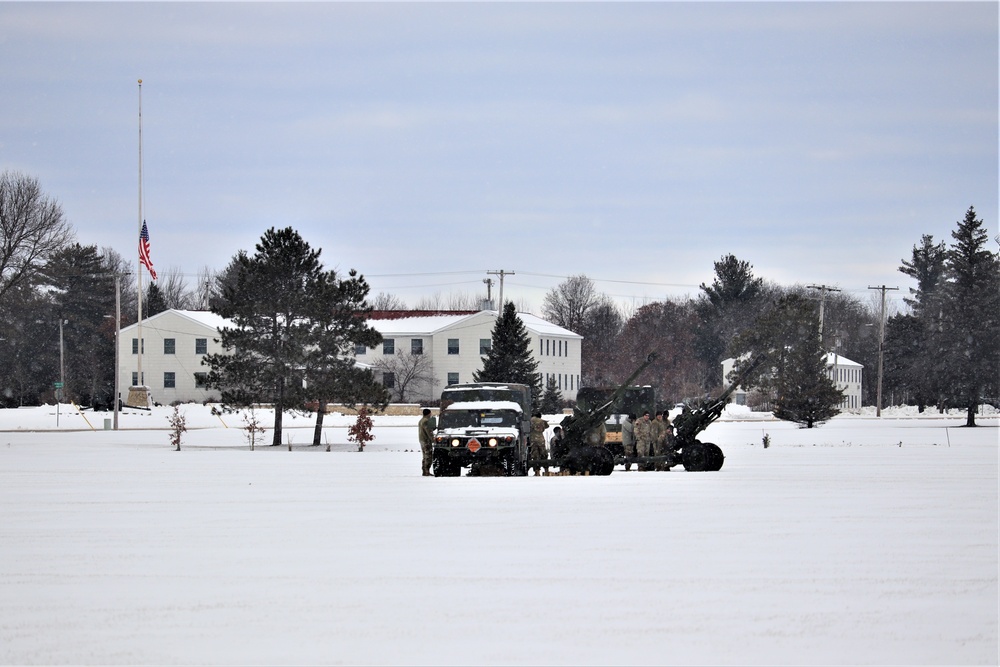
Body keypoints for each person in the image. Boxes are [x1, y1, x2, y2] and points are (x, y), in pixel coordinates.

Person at [529, 411, 549, 476]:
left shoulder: (530, 421)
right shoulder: (542, 421)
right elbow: (547, 426)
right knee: (544, 454)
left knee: (535, 455)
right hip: (541, 439)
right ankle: (546, 470)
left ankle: (537, 471)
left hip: (532, 439)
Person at [418, 408, 436, 476]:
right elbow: (428, 431)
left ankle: (425, 471)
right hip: (426, 441)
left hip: (422, 440)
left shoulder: (421, 420)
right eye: (430, 413)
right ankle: (426, 471)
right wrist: (433, 439)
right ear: (428, 413)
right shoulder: (426, 421)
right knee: (428, 456)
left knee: (425, 456)